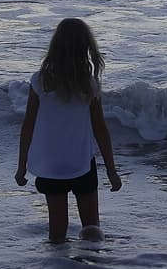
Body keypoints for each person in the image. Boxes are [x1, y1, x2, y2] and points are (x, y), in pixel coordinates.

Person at [15, 18, 122, 243]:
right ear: (86, 48)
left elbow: (28, 126)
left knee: (57, 234)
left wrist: (21, 166)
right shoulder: (88, 85)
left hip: (50, 166)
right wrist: (112, 171)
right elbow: (100, 129)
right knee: (92, 230)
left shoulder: (40, 81)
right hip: (81, 163)